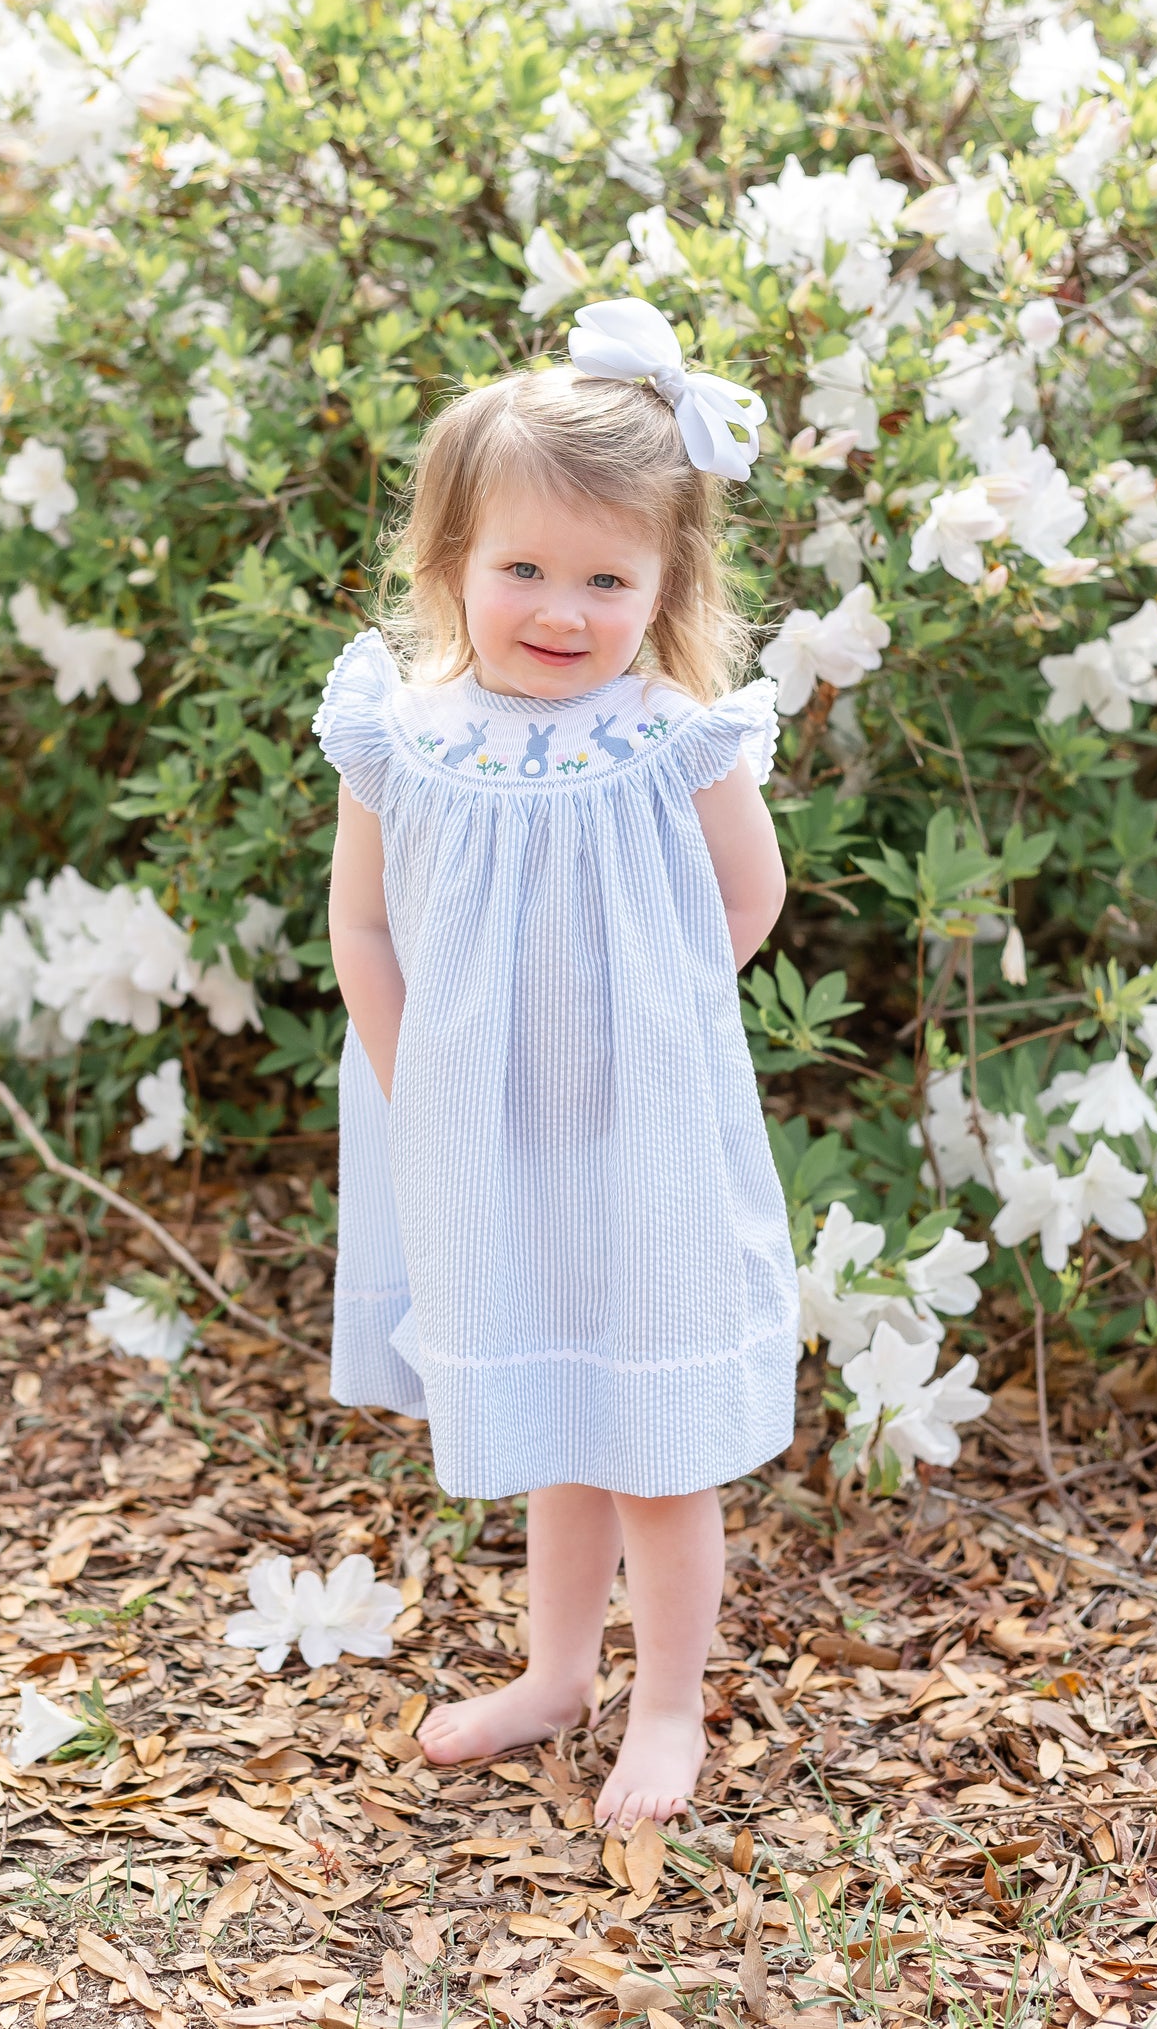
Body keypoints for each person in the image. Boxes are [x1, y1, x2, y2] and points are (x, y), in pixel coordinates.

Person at [312, 298, 799, 1835]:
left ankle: (664, 1701)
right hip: (477, 1136)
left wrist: (644, 1027)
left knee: (650, 1431)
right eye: (522, 566)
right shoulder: (404, 732)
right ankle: (551, 1671)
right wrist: (429, 1083)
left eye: (607, 576)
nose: (562, 606)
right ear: (451, 560)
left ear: (663, 584)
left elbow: (747, 896)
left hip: (640, 1128)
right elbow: (365, 925)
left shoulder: (670, 735)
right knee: (547, 1403)